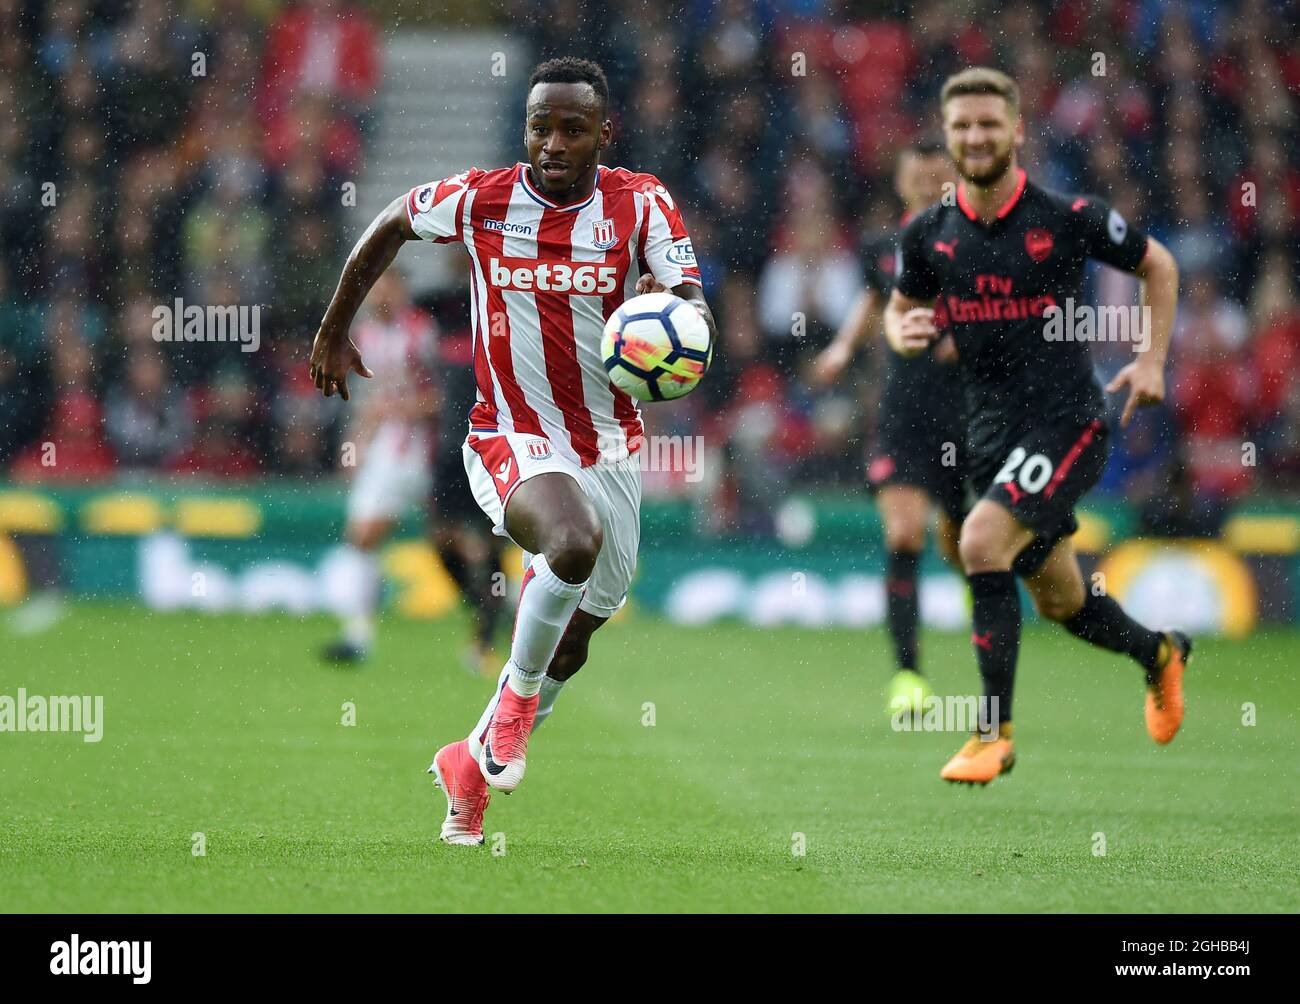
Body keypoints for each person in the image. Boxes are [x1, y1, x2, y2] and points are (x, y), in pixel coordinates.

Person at [308, 57, 716, 843]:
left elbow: (689, 300)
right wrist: (334, 327)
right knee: (570, 541)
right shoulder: (485, 199)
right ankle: (515, 708)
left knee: (579, 635)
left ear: (605, 132)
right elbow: (392, 220)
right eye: (539, 126)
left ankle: (468, 762)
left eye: (571, 128)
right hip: (511, 436)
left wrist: (681, 336)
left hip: (610, 448)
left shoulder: (642, 205)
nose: (553, 142)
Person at [884, 67, 1189, 785]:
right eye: (962, 125)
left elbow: (1161, 266)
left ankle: (992, 734)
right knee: (1061, 601)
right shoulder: (928, 233)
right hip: (987, 436)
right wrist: (903, 333)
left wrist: (1151, 361)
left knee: (979, 542)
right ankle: (1159, 654)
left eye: (989, 124)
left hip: (1066, 423)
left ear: (1017, 130)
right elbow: (901, 309)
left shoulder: (1066, 216)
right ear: (949, 132)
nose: (975, 136)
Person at [811, 138, 965, 715]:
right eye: (919, 179)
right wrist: (842, 349)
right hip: (903, 411)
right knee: (903, 536)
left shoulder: (974, 244)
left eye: (938, 179)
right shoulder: (884, 247)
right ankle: (908, 675)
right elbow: (873, 300)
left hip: (966, 415)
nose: (928, 188)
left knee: (962, 542)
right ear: (902, 183)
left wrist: (970, 341)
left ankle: (984, 611)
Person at [320, 268, 436, 663]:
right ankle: (357, 634)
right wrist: (357, 443)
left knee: (453, 538)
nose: (378, 295)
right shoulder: (366, 336)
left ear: (401, 290)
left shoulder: (422, 333)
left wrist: (400, 409)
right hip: (386, 449)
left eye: (386, 286)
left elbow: (446, 397)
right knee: (363, 535)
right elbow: (372, 401)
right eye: (374, 287)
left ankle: (497, 616)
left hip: (423, 449)